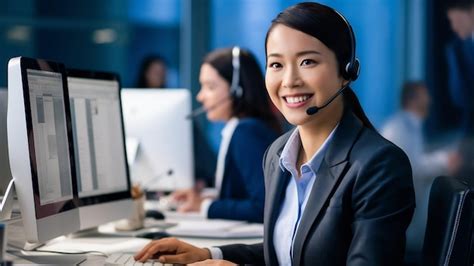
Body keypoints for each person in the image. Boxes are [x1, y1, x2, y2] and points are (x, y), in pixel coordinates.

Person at [135, 2, 415, 265]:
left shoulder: (379, 165)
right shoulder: (278, 155)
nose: (289, 80)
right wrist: (207, 253)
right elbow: (287, 252)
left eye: (307, 62)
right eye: (276, 65)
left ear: (347, 71)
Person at [171, 47, 281, 223]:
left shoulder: (246, 131)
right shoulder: (240, 128)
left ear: (237, 90)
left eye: (210, 87)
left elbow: (263, 206)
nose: (200, 96)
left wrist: (205, 206)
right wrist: (204, 196)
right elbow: (242, 193)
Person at [381, 81, 460, 263]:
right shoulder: (400, 127)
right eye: (426, 95)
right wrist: (444, 160)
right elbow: (412, 166)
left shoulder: (410, 126)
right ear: (413, 99)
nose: (430, 100)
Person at [445, 0, 474, 138]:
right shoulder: (455, 49)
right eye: (451, 21)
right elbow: (459, 96)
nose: (454, 27)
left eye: (457, 20)